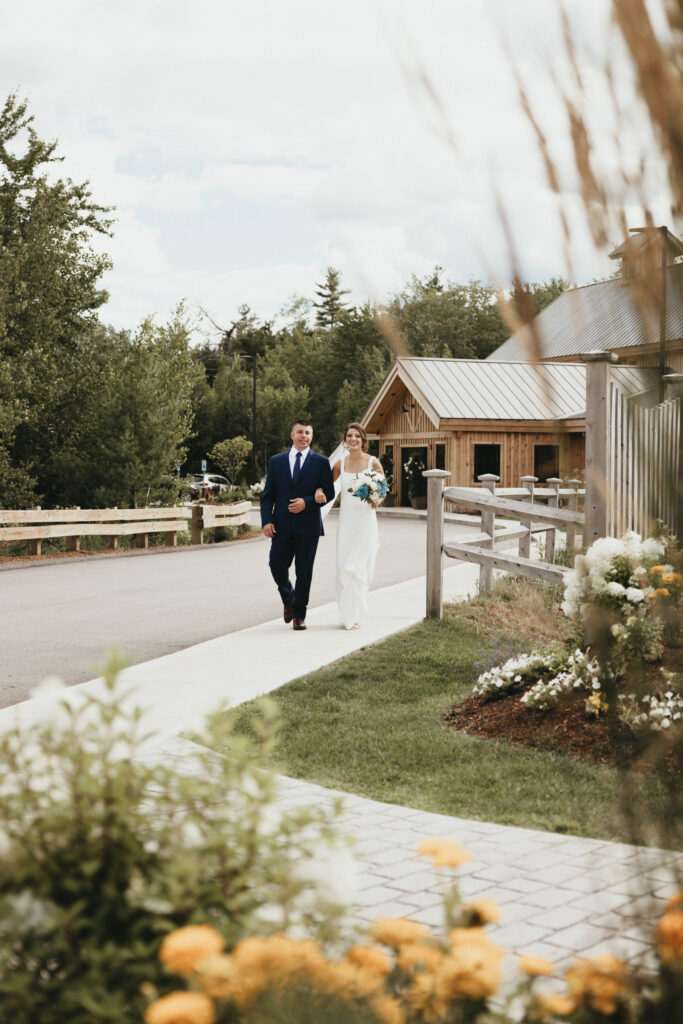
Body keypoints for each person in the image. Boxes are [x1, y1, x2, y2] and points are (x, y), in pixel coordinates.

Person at [260, 419, 335, 631]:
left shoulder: (321, 462)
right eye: (300, 432)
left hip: (308, 527)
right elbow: (268, 496)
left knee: (304, 571)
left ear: (312, 436)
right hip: (281, 526)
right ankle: (288, 596)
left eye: (308, 433)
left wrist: (307, 503)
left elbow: (329, 492)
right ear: (292, 435)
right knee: (276, 565)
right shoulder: (277, 461)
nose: (304, 436)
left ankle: (299, 615)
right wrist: (267, 521)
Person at [315, 422, 385, 630]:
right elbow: (325, 486)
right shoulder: (340, 464)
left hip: (365, 521)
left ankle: (355, 614)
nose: (352, 439)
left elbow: (382, 490)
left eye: (356, 436)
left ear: (363, 440)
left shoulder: (373, 463)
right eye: (349, 436)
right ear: (345, 440)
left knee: (360, 567)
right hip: (347, 523)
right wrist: (319, 490)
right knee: (343, 565)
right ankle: (346, 614)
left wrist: (377, 500)